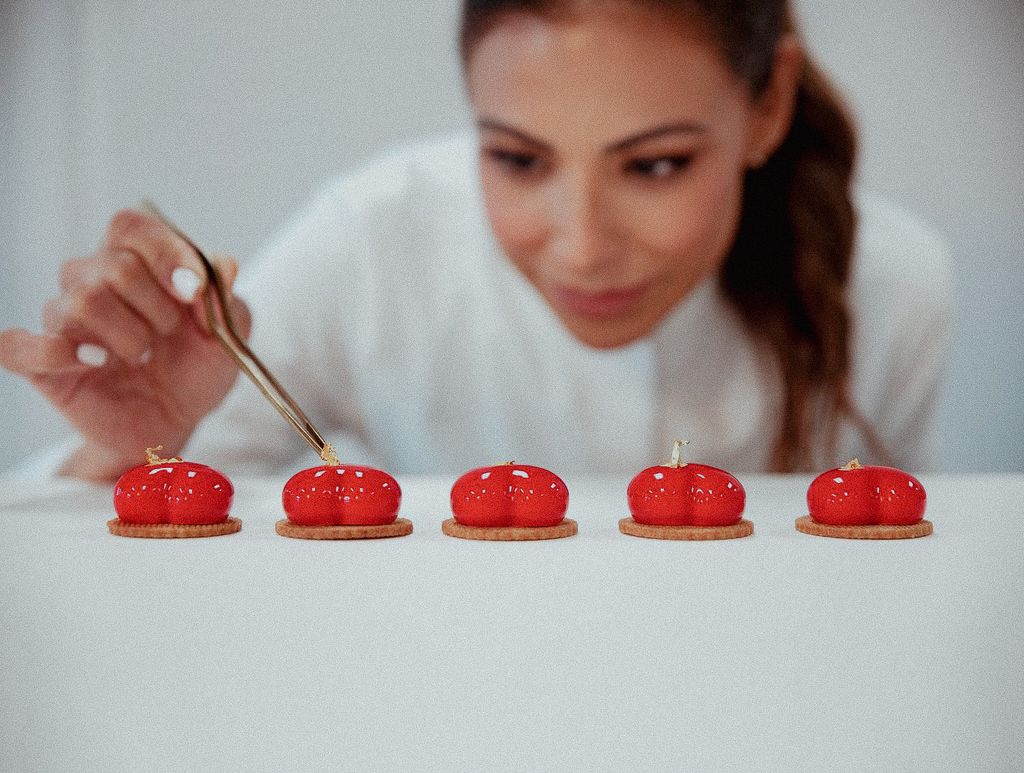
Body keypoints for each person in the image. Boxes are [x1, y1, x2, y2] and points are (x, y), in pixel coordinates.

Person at [0, 0, 952, 481]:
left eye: (655, 165)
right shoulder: (372, 244)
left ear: (770, 103)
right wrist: (144, 446)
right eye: (518, 160)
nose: (582, 249)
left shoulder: (895, 290)